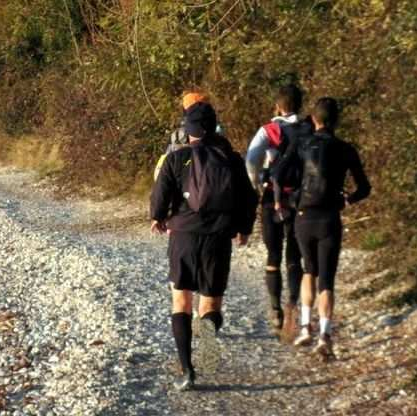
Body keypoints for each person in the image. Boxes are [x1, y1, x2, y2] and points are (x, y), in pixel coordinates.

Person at [151, 102, 258, 390]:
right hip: (218, 237)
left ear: (188, 130)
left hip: (183, 235)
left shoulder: (177, 158)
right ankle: (208, 346)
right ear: (214, 126)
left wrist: (158, 218)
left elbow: (160, 194)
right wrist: (244, 229)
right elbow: (249, 198)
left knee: (181, 301)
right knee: (210, 302)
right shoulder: (232, 160)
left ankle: (187, 370)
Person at [272, 97, 371, 355]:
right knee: (326, 279)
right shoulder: (346, 149)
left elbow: (279, 174)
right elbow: (365, 187)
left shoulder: (301, 143)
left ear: (314, 119)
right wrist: (348, 198)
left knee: (308, 270)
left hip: (304, 216)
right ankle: (325, 335)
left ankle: (305, 327)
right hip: (330, 218)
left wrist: (283, 200)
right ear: (336, 121)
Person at [245, 85, 313, 332]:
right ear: (300, 105)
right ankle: (293, 304)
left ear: (277, 106)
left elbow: (251, 160)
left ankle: (275, 309)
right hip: (301, 200)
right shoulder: (309, 129)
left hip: (272, 200)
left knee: (273, 255)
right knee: (295, 256)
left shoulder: (268, 130)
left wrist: (256, 185)